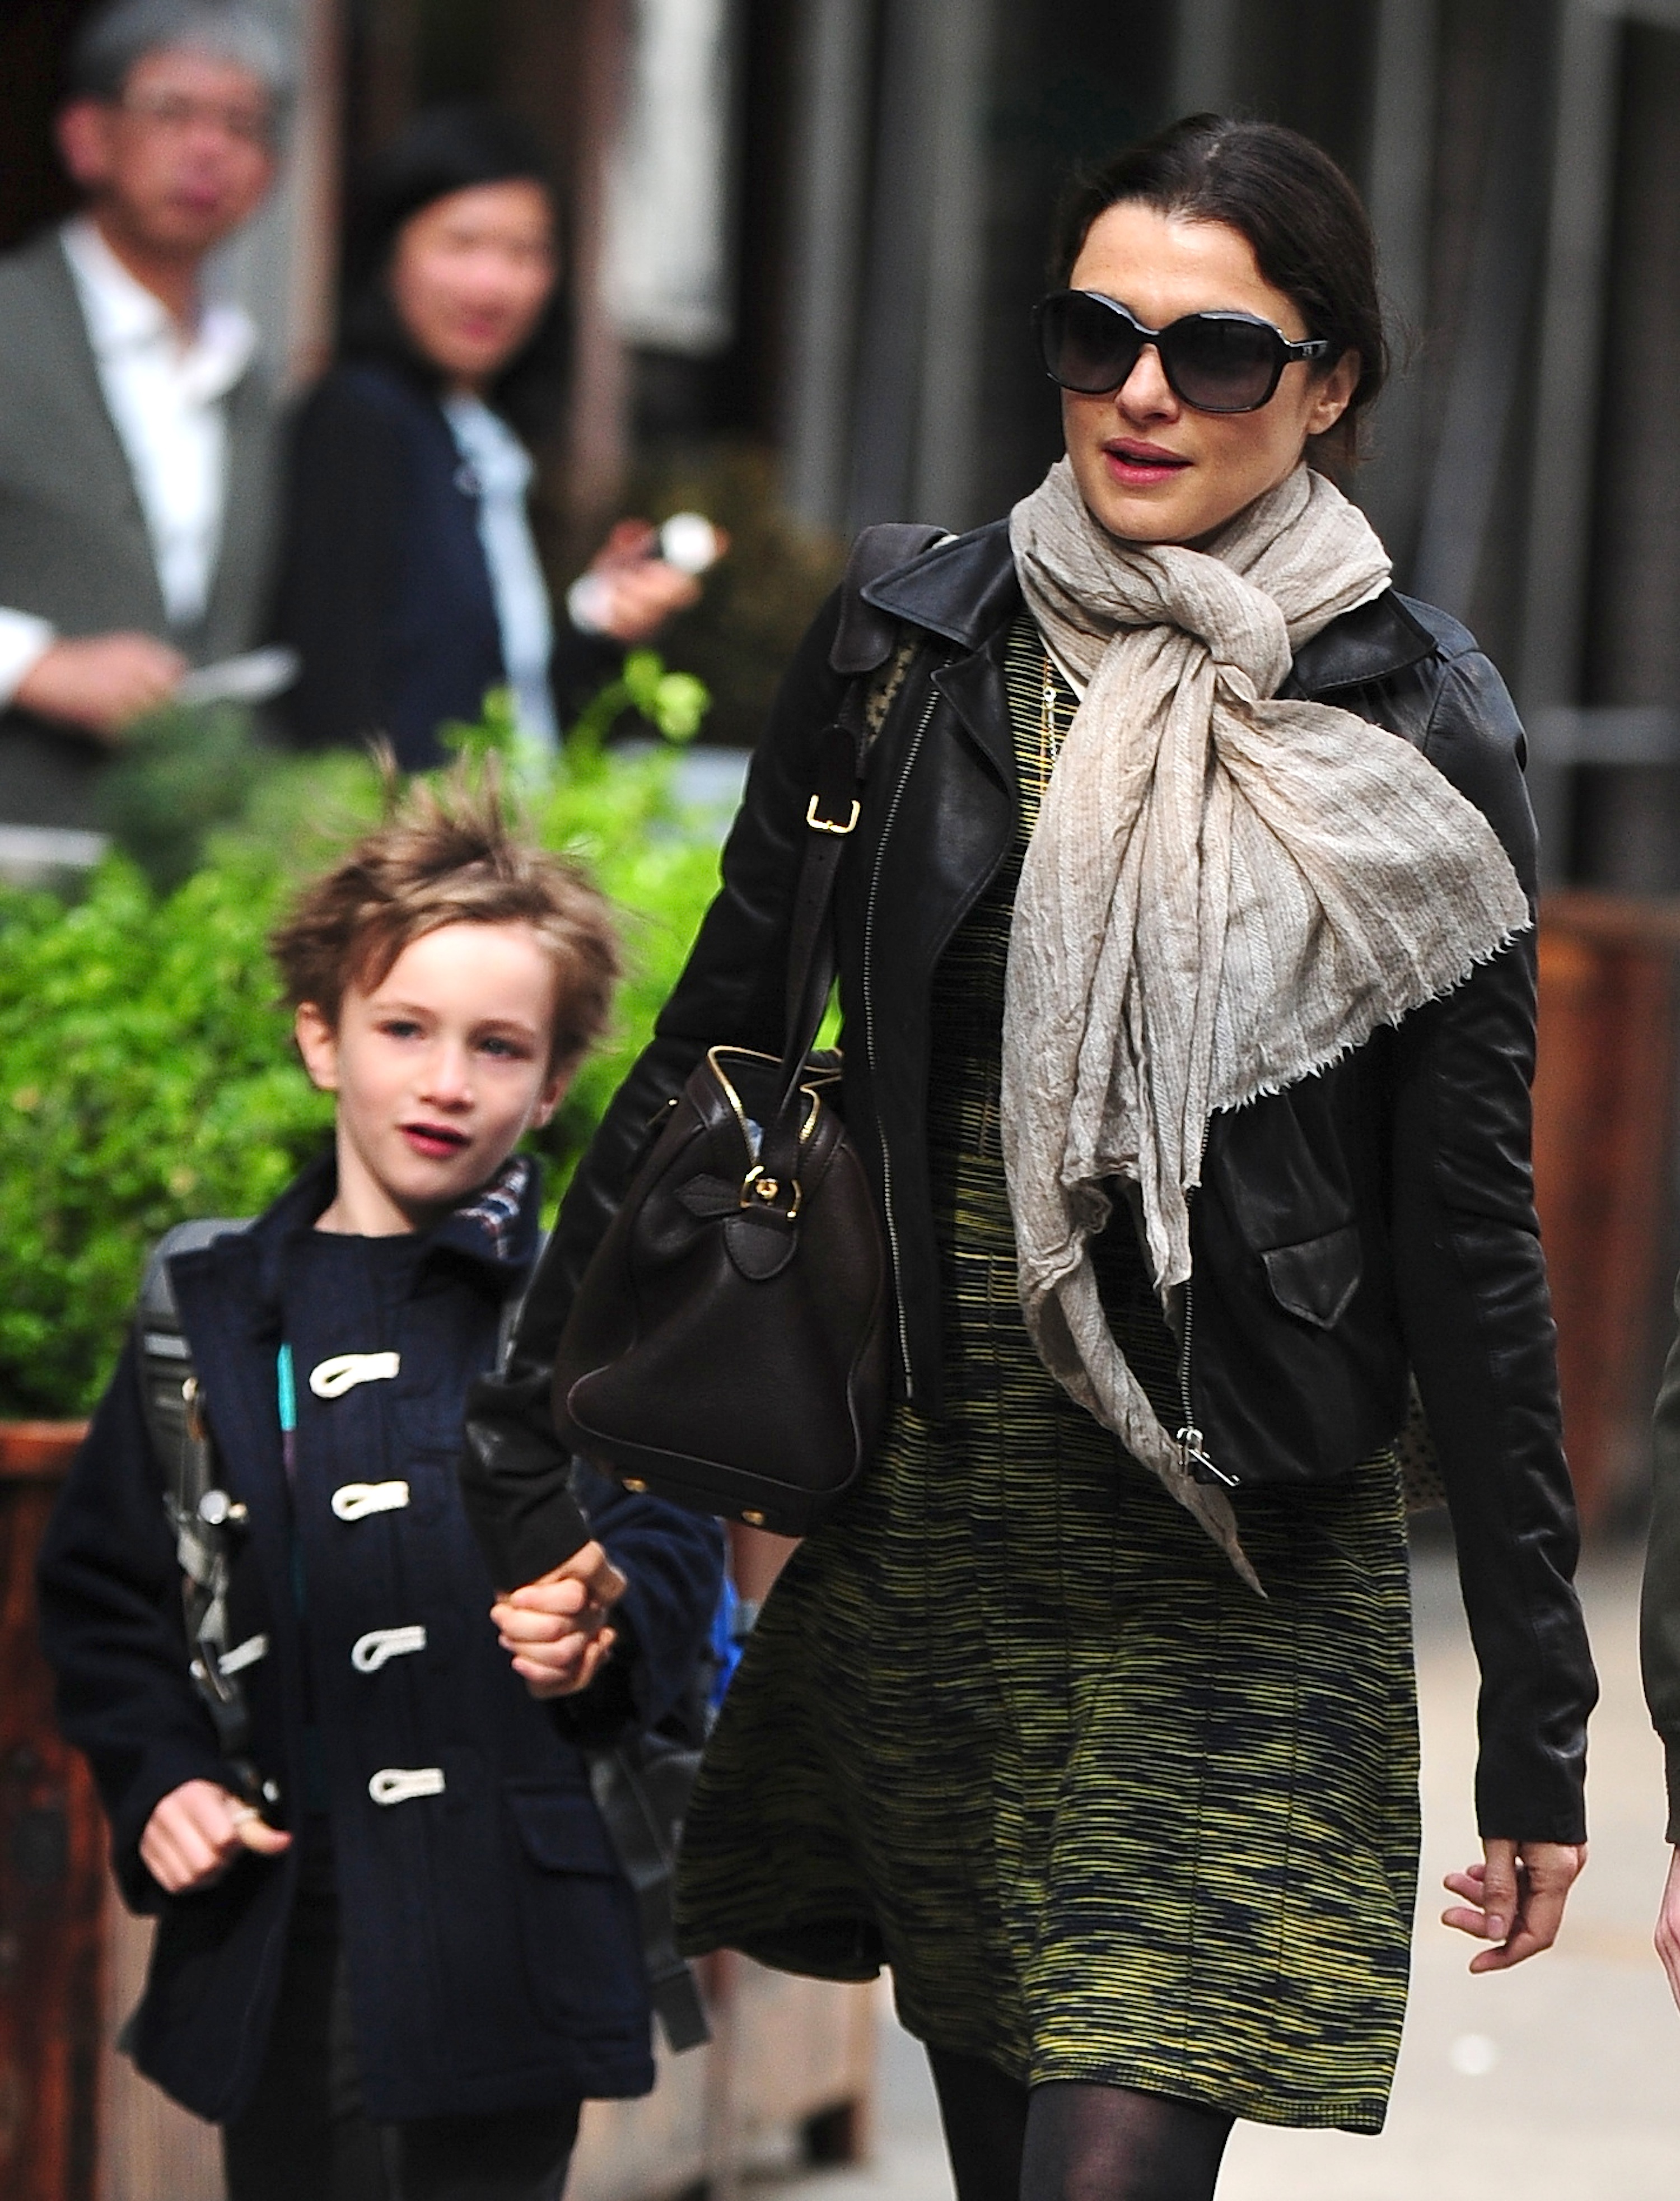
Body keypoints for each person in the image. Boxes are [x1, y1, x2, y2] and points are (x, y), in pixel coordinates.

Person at [474, 116, 1599, 2199]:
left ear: (1328, 381)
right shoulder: (912, 644)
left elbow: (1466, 1234)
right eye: (1096, 335)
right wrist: (522, 1429)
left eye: (1216, 352)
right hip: (939, 1526)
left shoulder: (1412, 714)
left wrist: (1538, 1706)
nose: (1142, 392)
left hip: (1231, 1560)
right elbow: (721, 1038)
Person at [36, 771, 725, 2200]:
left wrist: (602, 1621)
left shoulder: (594, 1310)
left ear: (548, 1084)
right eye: (403, 1028)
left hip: (508, 1929)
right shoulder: (210, 1299)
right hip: (281, 1918)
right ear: (320, 1040)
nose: (445, 1079)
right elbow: (109, 1592)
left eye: (496, 1045)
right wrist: (161, 1774)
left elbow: (668, 1552)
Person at [272, 106, 711, 771]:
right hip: (410, 864)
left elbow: (512, 715)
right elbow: (336, 714)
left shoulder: (477, 434)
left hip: (486, 858)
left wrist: (600, 627)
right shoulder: (358, 419)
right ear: (389, 251)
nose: (492, 285)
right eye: (461, 243)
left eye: (525, 252)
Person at [0, 0, 287, 841]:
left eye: (242, 125)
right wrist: (32, 664)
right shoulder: (11, 320)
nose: (210, 148)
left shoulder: (249, 371)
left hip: (185, 859)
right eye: (172, 112)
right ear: (88, 137)